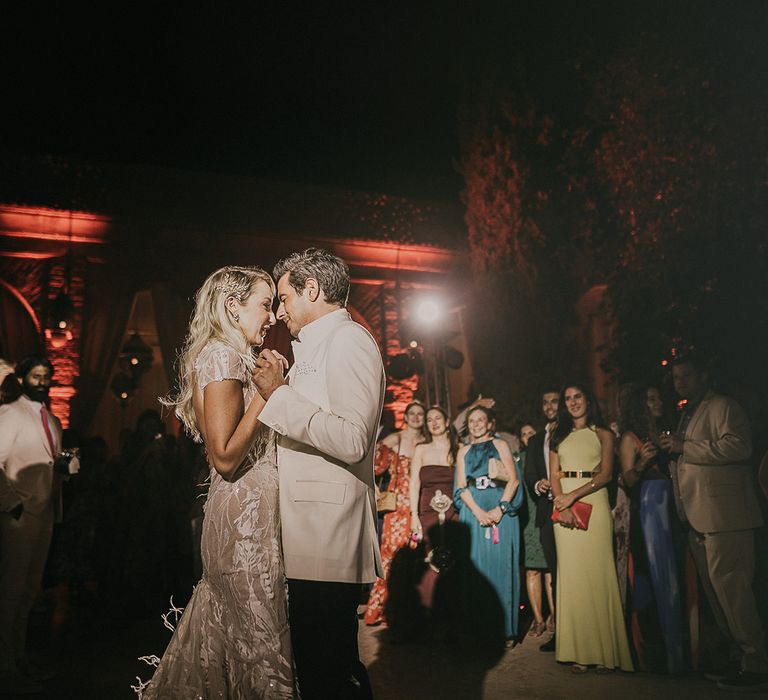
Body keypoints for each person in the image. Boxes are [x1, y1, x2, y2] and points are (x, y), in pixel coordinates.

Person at [144, 265, 296, 699]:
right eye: (265, 305)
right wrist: (270, 394)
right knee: (259, 641)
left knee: (242, 637)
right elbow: (226, 457)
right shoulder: (222, 355)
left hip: (248, 513)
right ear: (233, 306)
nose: (272, 318)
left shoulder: (230, 355)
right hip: (243, 522)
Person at [254, 248, 385, 699]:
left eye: (285, 298)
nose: (279, 311)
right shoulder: (315, 345)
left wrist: (279, 397)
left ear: (312, 289)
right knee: (319, 663)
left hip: (327, 531)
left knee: (328, 669)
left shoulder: (350, 340)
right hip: (305, 529)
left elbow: (352, 440)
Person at [662, 355, 768, 692]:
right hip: (699, 518)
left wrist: (684, 446)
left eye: (687, 376)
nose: (681, 383)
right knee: (720, 595)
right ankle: (741, 658)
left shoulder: (723, 406)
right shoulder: (686, 412)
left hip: (727, 517)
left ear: (704, 375)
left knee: (735, 592)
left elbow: (739, 447)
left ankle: (758, 663)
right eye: (676, 378)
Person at [550, 382, 633, 673]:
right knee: (572, 578)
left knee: (599, 574)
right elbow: (554, 475)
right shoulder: (557, 435)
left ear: (588, 400)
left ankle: (607, 652)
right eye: (568, 399)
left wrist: (574, 496)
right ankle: (579, 652)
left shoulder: (604, 434)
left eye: (578, 397)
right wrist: (564, 502)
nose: (573, 403)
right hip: (563, 506)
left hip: (594, 504)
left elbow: (608, 474)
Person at [0, 355, 64, 695]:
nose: (42, 381)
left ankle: (18, 658)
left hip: (45, 514)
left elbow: (51, 464)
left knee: (28, 593)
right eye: (36, 376)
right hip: (19, 516)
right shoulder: (8, 414)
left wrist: (66, 469)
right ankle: (5, 665)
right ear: (22, 379)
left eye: (46, 376)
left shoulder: (52, 421)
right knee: (9, 593)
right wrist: (13, 505)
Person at [618, 384, 684, 675]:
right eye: (651, 398)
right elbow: (628, 479)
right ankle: (656, 654)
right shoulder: (631, 439)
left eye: (659, 397)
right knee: (652, 578)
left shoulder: (667, 433)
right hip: (648, 510)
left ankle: (681, 653)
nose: (658, 401)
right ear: (640, 406)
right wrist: (644, 461)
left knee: (676, 579)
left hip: (672, 509)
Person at [453, 405, 523, 643]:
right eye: (472, 420)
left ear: (490, 422)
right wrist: (478, 513)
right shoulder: (463, 451)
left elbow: (513, 480)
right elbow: (461, 487)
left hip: (500, 508)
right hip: (474, 509)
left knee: (501, 568)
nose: (476, 424)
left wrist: (499, 509)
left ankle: (505, 631)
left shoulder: (501, 445)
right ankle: (479, 630)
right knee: (477, 571)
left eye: (481, 419)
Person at [365, 400, 426, 626]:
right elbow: (370, 464)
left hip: (421, 504)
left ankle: (411, 610)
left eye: (421, 413)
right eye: (413, 413)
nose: (417, 417)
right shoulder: (395, 439)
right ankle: (386, 609)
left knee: (417, 559)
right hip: (399, 508)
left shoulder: (426, 442)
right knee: (392, 557)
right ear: (407, 416)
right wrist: (376, 489)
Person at [522, 387, 559, 652]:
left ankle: (568, 624)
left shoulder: (573, 434)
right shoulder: (536, 441)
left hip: (575, 506)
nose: (550, 406)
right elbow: (530, 475)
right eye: (545, 402)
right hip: (544, 513)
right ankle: (556, 631)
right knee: (553, 572)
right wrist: (538, 485)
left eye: (555, 401)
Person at [519, 423, 554, 639]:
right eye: (523, 434)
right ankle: (538, 620)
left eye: (532, 432)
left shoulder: (546, 455)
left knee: (550, 568)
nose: (528, 436)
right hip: (527, 518)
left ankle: (555, 616)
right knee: (532, 569)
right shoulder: (517, 459)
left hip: (544, 513)